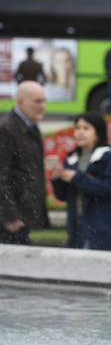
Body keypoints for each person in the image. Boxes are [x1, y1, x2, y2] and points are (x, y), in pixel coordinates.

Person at [49, 112, 111, 251]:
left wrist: (76, 178)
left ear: (98, 133)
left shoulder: (107, 157)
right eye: (78, 128)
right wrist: (57, 178)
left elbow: (109, 188)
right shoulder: (72, 159)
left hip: (103, 231)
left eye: (86, 128)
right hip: (78, 230)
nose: (80, 132)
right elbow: (64, 196)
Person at [0, 81, 49, 245]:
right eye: (37, 101)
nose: (42, 106)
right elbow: (1, 175)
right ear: (20, 102)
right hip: (10, 220)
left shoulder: (30, 126)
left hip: (22, 214)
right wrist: (9, 216)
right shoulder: (6, 129)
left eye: (43, 101)